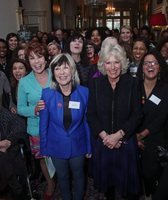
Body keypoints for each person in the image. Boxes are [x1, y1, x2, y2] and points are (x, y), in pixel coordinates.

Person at [87, 44, 142, 200]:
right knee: (108, 187)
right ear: (103, 65)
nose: (113, 67)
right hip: (103, 143)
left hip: (125, 142)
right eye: (108, 62)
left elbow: (137, 115)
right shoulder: (96, 84)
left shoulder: (132, 83)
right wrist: (106, 137)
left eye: (116, 62)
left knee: (128, 188)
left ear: (123, 63)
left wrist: (118, 135)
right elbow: (91, 115)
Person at [39, 53, 92, 200]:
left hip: (78, 144)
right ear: (53, 73)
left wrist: (89, 146)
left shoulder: (84, 93)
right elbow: (43, 124)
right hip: (56, 145)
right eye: (57, 69)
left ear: (73, 70)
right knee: (62, 178)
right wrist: (43, 148)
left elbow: (87, 122)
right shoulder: (47, 94)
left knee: (79, 176)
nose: (62, 73)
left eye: (65, 68)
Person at [17, 41, 55, 199]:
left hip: (57, 125)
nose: (36, 61)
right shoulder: (24, 82)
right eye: (32, 58)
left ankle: (64, 179)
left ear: (46, 59)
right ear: (28, 61)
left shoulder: (56, 74)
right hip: (36, 128)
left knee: (60, 155)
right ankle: (51, 183)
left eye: (39, 57)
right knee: (43, 159)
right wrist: (33, 110)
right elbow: (20, 108)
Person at [136, 51, 168, 198]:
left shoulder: (165, 89)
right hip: (132, 135)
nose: (150, 66)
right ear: (142, 67)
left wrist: (142, 135)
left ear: (160, 67)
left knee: (151, 172)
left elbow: (162, 117)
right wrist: (135, 137)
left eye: (154, 63)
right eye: (147, 63)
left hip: (155, 135)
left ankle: (150, 194)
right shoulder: (134, 87)